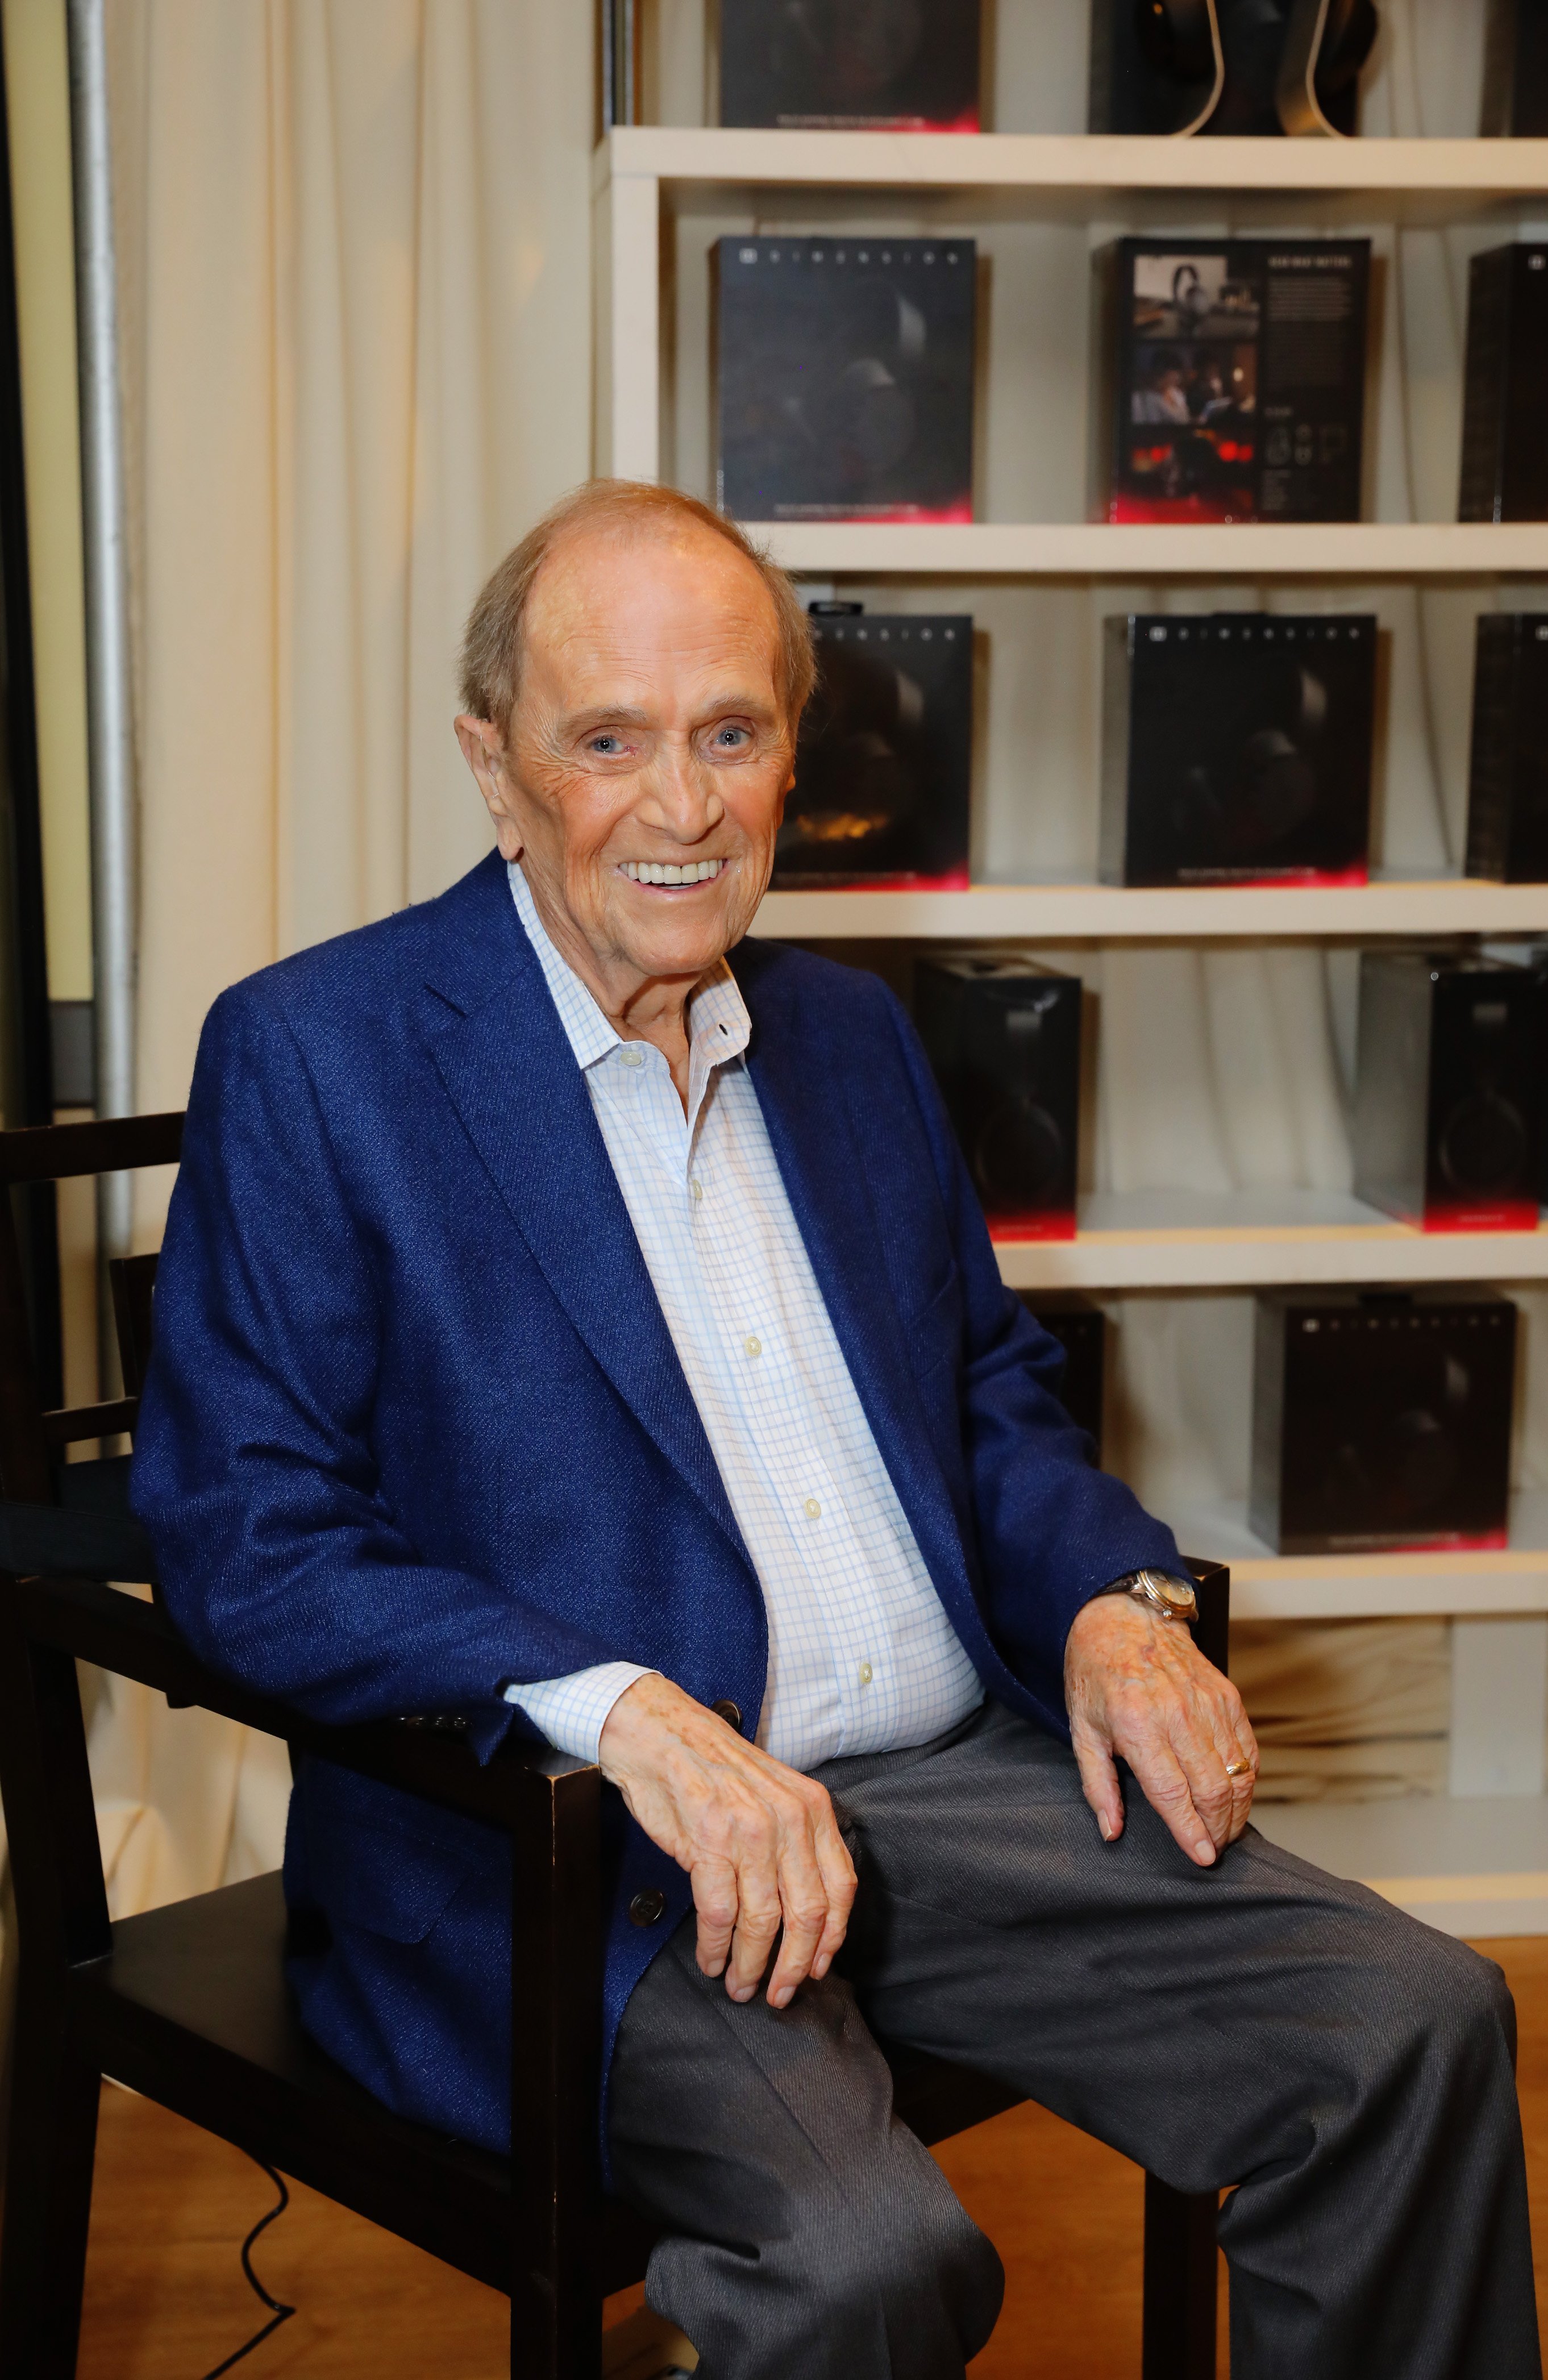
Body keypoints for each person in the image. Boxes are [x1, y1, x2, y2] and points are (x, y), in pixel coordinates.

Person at [132, 480, 1539, 2380]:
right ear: (495, 765)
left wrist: (1114, 1598)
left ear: (795, 752)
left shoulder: (851, 1037)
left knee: (1410, 2020)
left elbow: (983, 1400)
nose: (682, 803)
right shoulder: (316, 1054)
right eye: (607, 740)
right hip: (580, 1854)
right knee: (867, 2257)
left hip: (945, 1785)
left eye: (732, 732)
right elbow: (246, 1537)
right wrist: (622, 1708)